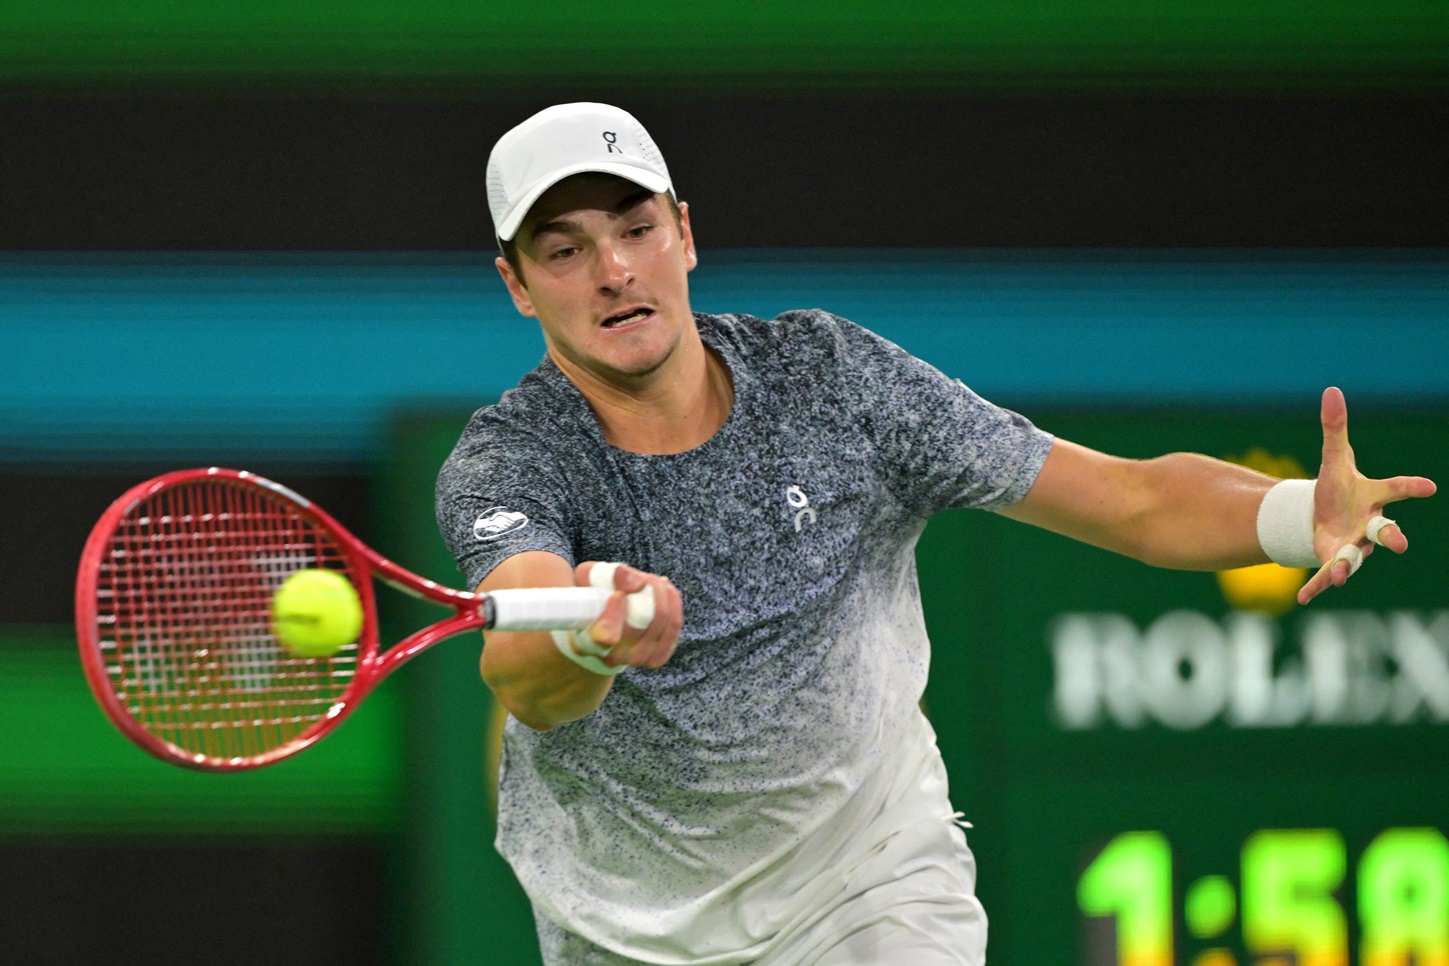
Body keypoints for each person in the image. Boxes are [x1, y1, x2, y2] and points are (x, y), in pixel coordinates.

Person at [435, 102, 1436, 965]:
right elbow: (520, 667)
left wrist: (1293, 514)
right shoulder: (509, 460)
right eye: (564, 250)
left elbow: (1128, 498)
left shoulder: (833, 381)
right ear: (517, 284)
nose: (614, 270)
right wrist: (587, 636)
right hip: (626, 927)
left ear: (684, 234)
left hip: (868, 881)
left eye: (636, 228)